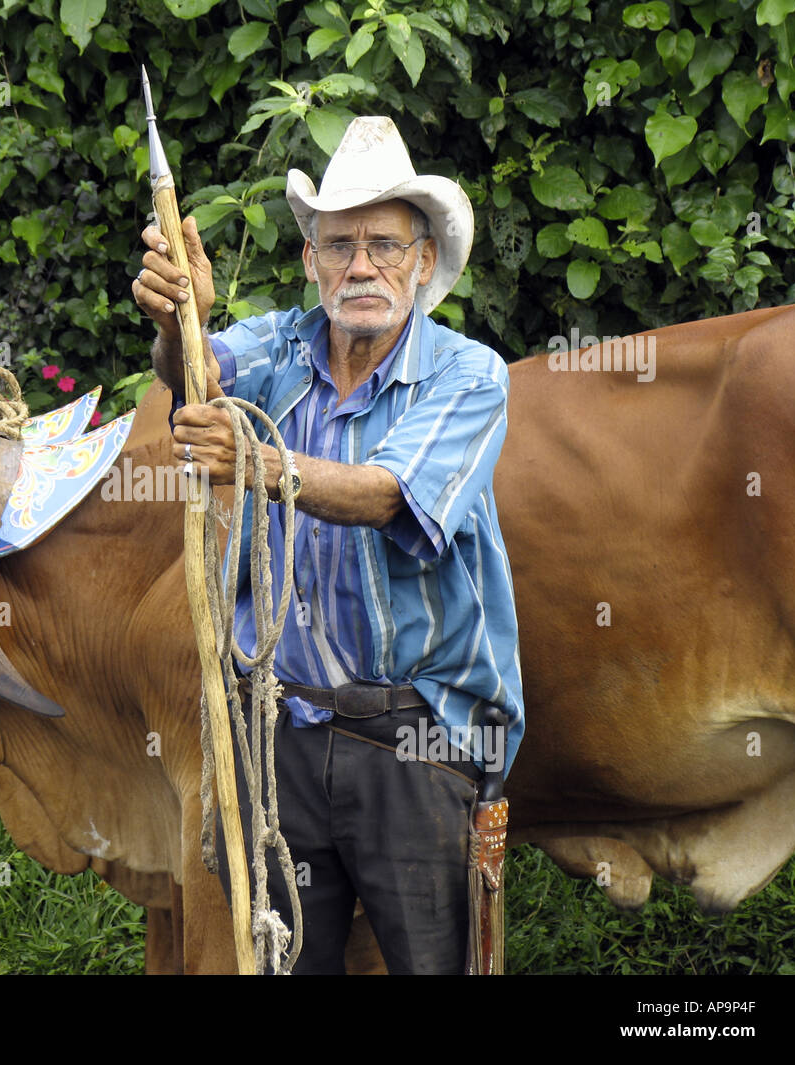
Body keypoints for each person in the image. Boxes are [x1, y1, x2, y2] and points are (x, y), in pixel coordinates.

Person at [132, 116, 524, 974]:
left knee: (435, 963)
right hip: (285, 729)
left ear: (423, 263)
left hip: (415, 738)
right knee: (283, 958)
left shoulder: (468, 375)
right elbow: (193, 375)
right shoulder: (280, 346)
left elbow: (387, 493)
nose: (361, 266)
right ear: (310, 261)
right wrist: (181, 320)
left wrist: (261, 464)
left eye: (384, 244)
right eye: (339, 243)